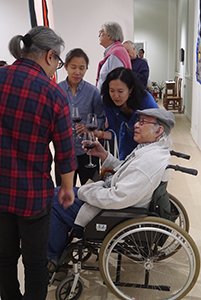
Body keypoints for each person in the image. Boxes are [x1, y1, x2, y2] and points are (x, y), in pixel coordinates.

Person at [0, 26, 77, 300]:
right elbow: (65, 150)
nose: (56, 67)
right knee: (34, 264)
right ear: (49, 55)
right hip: (32, 197)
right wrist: (66, 187)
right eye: (58, 61)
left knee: (4, 258)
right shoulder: (53, 93)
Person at [47, 108, 175, 262]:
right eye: (137, 121)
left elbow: (118, 197)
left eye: (142, 122)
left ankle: (52, 259)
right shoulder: (152, 151)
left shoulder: (147, 162)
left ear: (159, 130)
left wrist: (82, 192)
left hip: (108, 211)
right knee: (57, 193)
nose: (136, 125)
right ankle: (59, 245)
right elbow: (126, 171)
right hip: (108, 201)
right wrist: (103, 155)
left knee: (53, 200)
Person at [57, 48, 105, 186]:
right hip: (64, 151)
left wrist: (90, 128)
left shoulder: (93, 92)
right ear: (65, 66)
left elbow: (101, 118)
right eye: (73, 67)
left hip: (89, 152)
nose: (77, 72)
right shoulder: (57, 90)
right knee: (64, 194)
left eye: (82, 68)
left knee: (91, 192)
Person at [94, 67, 158, 160]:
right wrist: (99, 134)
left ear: (130, 89)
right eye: (112, 90)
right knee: (124, 166)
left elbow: (159, 126)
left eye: (120, 91)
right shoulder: (108, 102)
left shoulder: (145, 100)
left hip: (149, 139)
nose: (116, 96)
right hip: (127, 136)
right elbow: (114, 132)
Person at [96, 21, 131, 91]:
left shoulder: (116, 54)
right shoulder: (117, 51)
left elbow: (117, 84)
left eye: (101, 32)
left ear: (109, 36)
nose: (99, 35)